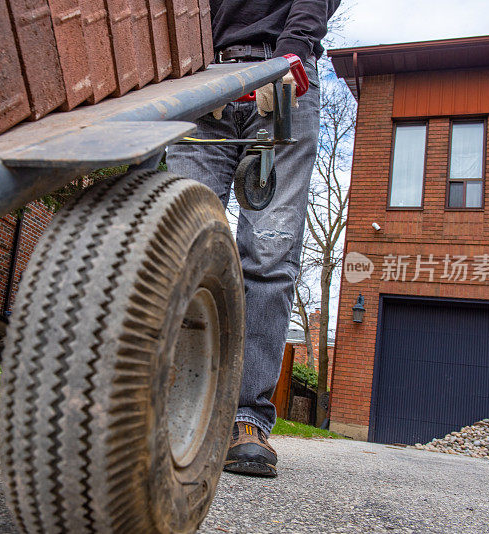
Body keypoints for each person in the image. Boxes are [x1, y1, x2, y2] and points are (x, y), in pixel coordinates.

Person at [167, 0, 340, 477]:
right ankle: (168, 402)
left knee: (268, 251)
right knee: (181, 243)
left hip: (284, 76)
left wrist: (290, 54)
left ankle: (246, 418)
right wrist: (190, 62)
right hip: (203, 77)